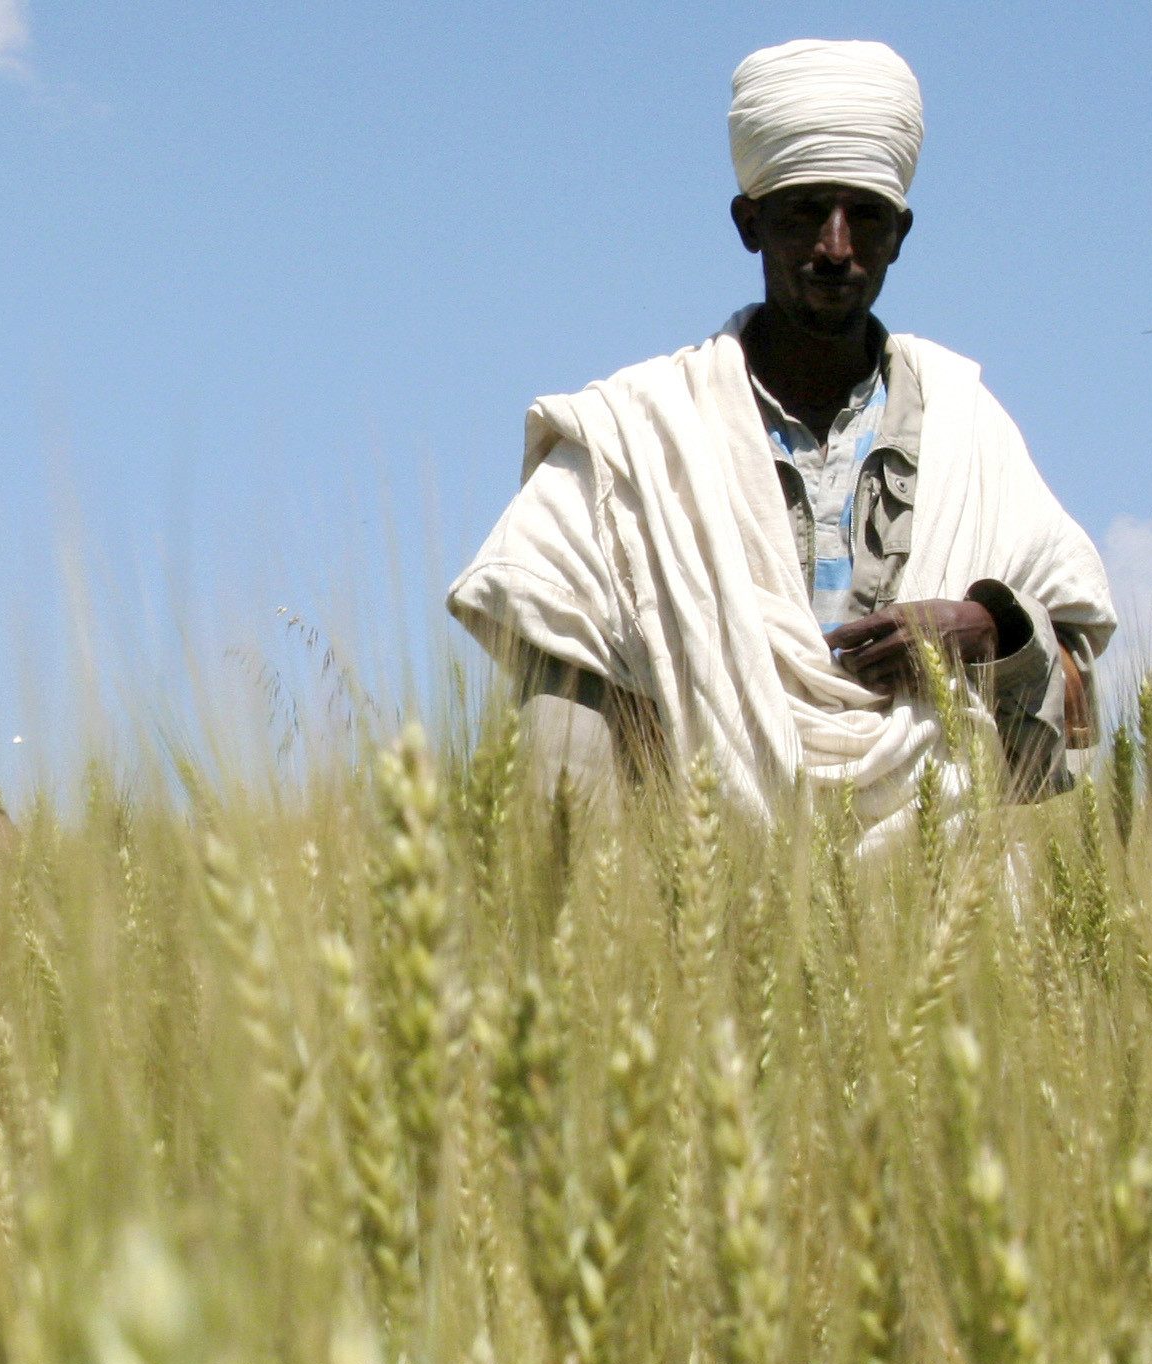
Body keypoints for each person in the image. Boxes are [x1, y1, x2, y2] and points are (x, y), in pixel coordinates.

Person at [446, 39, 1116, 844]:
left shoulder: (968, 429)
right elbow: (551, 684)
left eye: (864, 215)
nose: (836, 248)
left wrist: (987, 627)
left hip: (931, 906)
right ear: (749, 223)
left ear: (900, 234)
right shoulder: (636, 437)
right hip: (688, 895)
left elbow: (1076, 706)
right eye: (805, 211)